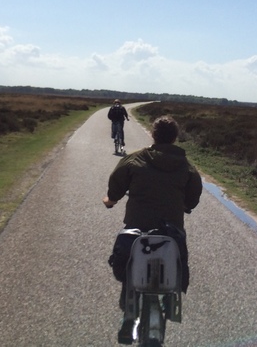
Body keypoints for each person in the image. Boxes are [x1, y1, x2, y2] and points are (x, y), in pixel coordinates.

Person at [103, 115, 203, 345]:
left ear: (153, 134)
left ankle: (128, 317)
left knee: (127, 266)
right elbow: (193, 198)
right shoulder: (187, 166)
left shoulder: (134, 159)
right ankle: (172, 297)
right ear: (175, 137)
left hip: (136, 229)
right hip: (172, 232)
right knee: (179, 262)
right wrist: (185, 205)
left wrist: (110, 199)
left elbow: (115, 186)